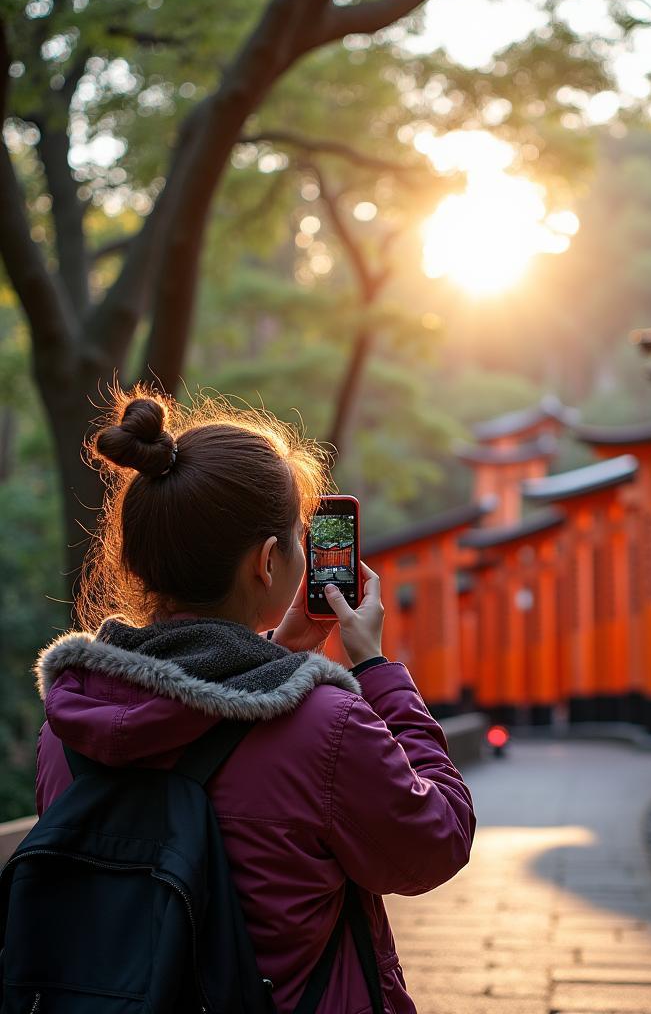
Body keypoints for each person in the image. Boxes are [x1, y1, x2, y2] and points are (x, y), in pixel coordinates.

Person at [33, 388, 476, 1013]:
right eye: (297, 539)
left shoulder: (71, 722)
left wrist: (280, 652)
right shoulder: (323, 725)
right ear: (268, 564)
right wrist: (375, 668)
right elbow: (436, 841)